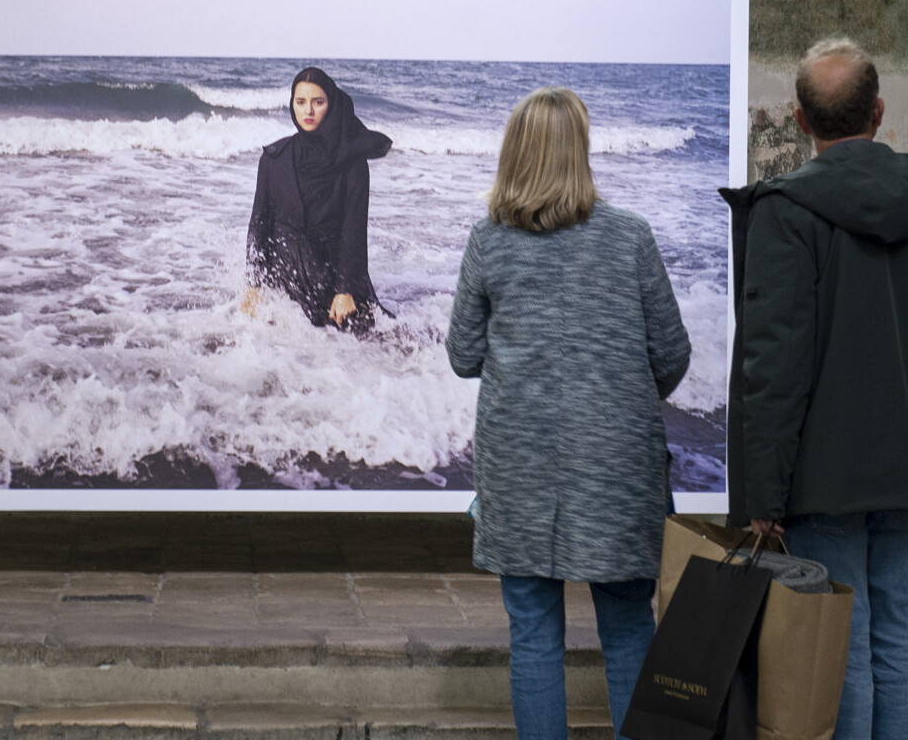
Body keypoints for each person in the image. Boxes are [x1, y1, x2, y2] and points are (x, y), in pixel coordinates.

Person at [446, 86, 689, 740]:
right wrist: (615, 395)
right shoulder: (631, 237)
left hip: (520, 462)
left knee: (532, 635)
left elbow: (463, 356)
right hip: (616, 465)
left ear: (515, 153)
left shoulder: (488, 241)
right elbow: (672, 355)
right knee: (630, 626)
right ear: (580, 151)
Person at [723, 37, 908, 740]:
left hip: (827, 474)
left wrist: (763, 496)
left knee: (844, 653)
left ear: (797, 121)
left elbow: (775, 367)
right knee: (898, 643)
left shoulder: (785, 210)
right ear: (880, 113)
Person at [244, 66, 391, 330]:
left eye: (318, 102)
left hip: (333, 279)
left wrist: (345, 290)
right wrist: (254, 284)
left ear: (331, 105)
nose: (308, 111)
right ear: (292, 105)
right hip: (285, 279)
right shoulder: (273, 159)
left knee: (380, 341)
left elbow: (353, 230)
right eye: (300, 102)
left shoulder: (352, 163)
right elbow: (259, 225)